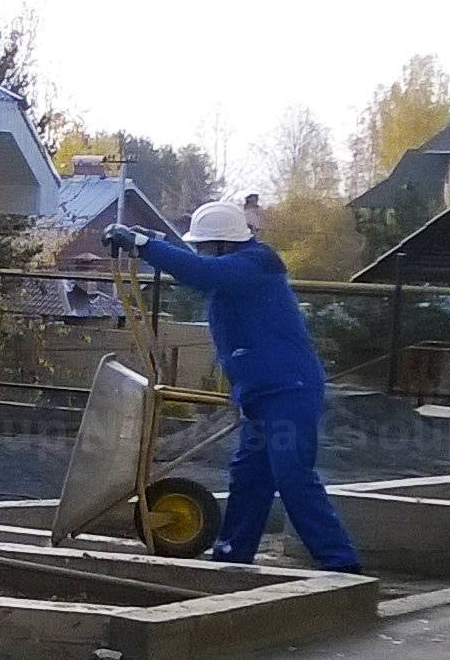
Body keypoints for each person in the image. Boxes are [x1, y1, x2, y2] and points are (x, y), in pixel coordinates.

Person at [106, 202, 360, 571]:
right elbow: (198, 267)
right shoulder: (239, 269)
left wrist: (144, 245)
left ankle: (341, 565)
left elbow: (200, 272)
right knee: (250, 478)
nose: (199, 251)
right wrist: (149, 242)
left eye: (203, 245)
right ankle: (231, 557)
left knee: (292, 475)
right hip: (263, 393)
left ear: (225, 244)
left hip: (288, 392)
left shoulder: (255, 264)